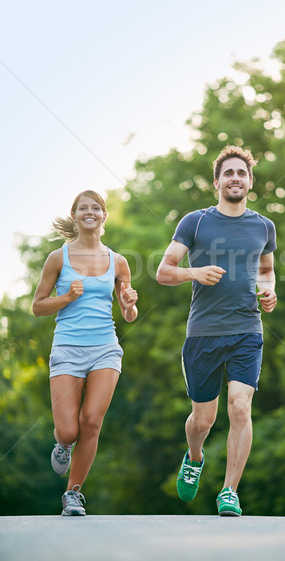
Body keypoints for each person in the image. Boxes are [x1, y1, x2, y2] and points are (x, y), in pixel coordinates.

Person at [156, 145, 277, 516]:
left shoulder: (264, 227)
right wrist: (195, 272)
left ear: (250, 181)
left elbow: (267, 270)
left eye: (242, 173)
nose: (236, 178)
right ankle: (194, 457)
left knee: (240, 407)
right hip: (203, 334)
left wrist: (271, 290)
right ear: (217, 182)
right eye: (229, 173)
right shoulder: (195, 222)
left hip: (247, 331)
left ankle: (229, 492)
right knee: (203, 420)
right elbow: (163, 271)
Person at [32, 190, 138, 516]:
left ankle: (73, 494)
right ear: (75, 216)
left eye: (96, 208)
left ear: (104, 216)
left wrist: (131, 304)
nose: (89, 212)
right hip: (67, 347)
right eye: (83, 208)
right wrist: (65, 298)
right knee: (68, 430)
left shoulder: (118, 261)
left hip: (105, 348)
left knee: (91, 421)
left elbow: (128, 314)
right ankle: (63, 446)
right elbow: (38, 306)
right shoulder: (57, 258)